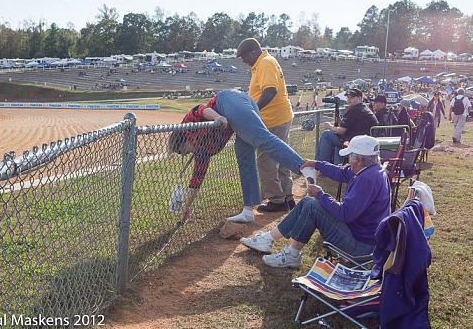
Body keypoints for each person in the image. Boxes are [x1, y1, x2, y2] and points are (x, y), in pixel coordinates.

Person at [240, 135, 391, 268]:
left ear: (359, 160)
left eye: (350, 156)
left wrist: (320, 194)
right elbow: (341, 172)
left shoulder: (366, 179)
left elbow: (345, 214)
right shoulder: (372, 169)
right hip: (365, 238)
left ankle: (283, 249)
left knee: (312, 205)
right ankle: (276, 244)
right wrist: (316, 163)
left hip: (361, 247)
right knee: (309, 203)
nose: (347, 160)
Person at [168, 89, 305, 223]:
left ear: (183, 138)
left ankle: (303, 166)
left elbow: (200, 109)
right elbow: (196, 181)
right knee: (245, 160)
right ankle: (248, 211)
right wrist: (187, 206)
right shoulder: (201, 152)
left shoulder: (187, 126)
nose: (188, 153)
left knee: (262, 139)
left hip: (227, 100)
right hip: (239, 109)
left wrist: (217, 117)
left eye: (184, 150)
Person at [236, 38, 295, 213]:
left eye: (244, 56)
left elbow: (270, 91)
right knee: (282, 158)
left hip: (274, 119)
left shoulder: (265, 63)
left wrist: (252, 111)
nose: (243, 60)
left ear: (254, 51)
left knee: (265, 161)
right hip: (277, 118)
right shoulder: (262, 63)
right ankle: (287, 197)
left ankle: (277, 200)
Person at [316, 88, 378, 164]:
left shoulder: (355, 110)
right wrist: (339, 120)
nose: (349, 99)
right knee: (335, 139)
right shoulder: (363, 108)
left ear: (359, 98)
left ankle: (320, 165)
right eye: (348, 97)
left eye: (352, 97)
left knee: (326, 134)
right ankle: (332, 164)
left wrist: (330, 126)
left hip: (355, 141)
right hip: (363, 139)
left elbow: (341, 131)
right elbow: (349, 126)